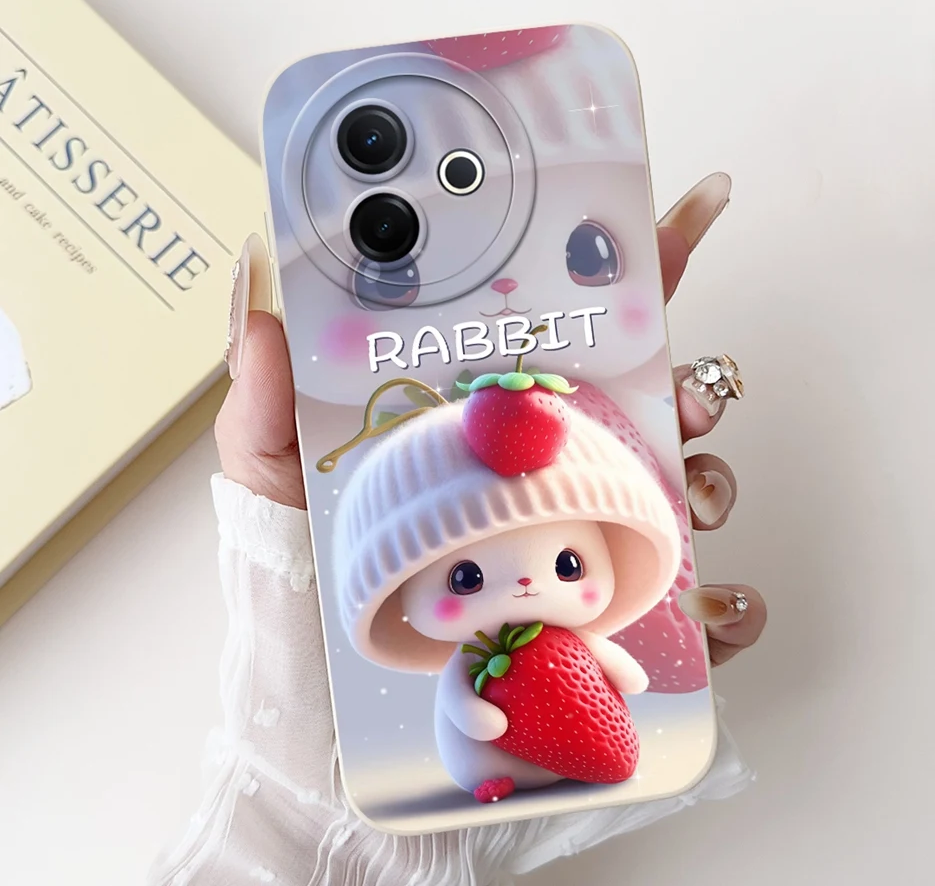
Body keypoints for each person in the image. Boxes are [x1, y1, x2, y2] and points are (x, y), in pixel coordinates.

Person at [148, 173, 767, 886]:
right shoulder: (469, 663)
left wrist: (622, 678)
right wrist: (477, 728)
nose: (529, 585)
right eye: (465, 577)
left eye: (569, 565)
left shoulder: (559, 638)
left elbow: (618, 670)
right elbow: (463, 711)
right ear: (396, 595)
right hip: (484, 773)